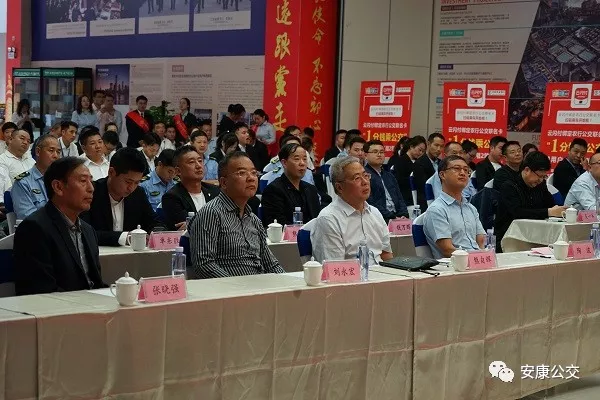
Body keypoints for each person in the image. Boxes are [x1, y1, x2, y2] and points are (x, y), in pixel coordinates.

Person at [13, 157, 104, 295]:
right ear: (58, 187)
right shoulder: (34, 229)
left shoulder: (88, 230)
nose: (91, 188)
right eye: (83, 181)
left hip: (91, 304)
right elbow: (41, 290)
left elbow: (94, 283)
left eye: (91, 181)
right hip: (56, 306)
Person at [190, 151, 285, 278]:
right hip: (229, 288)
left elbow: (271, 264)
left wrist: (288, 282)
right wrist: (236, 285)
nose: (251, 178)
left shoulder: (254, 220)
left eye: (253, 173)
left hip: (259, 285)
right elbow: (204, 264)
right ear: (224, 183)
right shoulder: (211, 213)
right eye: (242, 173)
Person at [311, 156, 393, 264]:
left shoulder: (375, 213)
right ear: (339, 187)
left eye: (365, 175)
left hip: (381, 272)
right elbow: (334, 268)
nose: (365, 182)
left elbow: (386, 255)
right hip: (352, 274)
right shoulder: (329, 219)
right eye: (357, 178)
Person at [82, 148, 163, 246]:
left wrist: (156, 233)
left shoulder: (138, 193)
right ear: (111, 172)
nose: (131, 188)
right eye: (128, 182)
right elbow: (85, 233)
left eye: (136, 182)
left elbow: (154, 223)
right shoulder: (91, 193)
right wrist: (125, 237)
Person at [495, 151, 567, 252]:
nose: (541, 180)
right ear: (527, 170)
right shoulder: (509, 186)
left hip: (537, 236)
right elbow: (517, 213)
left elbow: (550, 204)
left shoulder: (540, 185)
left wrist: (558, 210)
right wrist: (548, 212)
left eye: (544, 177)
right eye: (539, 176)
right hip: (511, 239)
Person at [423, 155, 487, 259]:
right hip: (455, 264)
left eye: (466, 170)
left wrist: (483, 257)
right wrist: (476, 258)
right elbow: (447, 250)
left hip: (477, 261)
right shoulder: (437, 210)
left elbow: (481, 241)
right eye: (457, 169)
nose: (463, 173)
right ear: (442, 175)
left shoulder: (471, 208)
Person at [161, 146, 221, 230]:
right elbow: (184, 230)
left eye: (200, 161)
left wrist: (193, 223)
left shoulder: (215, 191)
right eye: (191, 162)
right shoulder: (172, 197)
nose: (199, 166)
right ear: (178, 171)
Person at [261, 143, 321, 227]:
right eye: (297, 159)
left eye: (304, 159)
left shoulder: (311, 189)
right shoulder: (273, 190)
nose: (302, 163)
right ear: (284, 163)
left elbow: (317, 220)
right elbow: (277, 225)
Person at [11, 135, 61, 220]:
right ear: (38, 151)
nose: (56, 155)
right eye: (51, 150)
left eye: (58, 152)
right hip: (39, 227)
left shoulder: (62, 180)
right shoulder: (23, 182)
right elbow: (28, 218)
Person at [364, 140, 409, 222]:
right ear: (366, 155)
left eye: (381, 152)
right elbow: (371, 202)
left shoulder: (389, 175)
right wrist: (392, 217)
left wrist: (403, 214)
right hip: (379, 218)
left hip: (397, 217)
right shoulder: (364, 176)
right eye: (375, 152)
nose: (379, 154)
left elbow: (400, 198)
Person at [391, 135, 427, 207]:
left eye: (423, 151)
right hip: (405, 199)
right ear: (411, 147)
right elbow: (399, 182)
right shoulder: (400, 161)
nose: (421, 153)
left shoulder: (418, 162)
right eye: (420, 150)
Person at [414, 133, 445, 211]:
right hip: (427, 202)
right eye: (436, 145)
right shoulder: (419, 163)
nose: (439, 149)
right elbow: (423, 187)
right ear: (428, 144)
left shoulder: (442, 163)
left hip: (442, 199)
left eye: (441, 146)